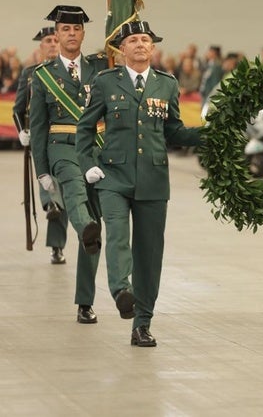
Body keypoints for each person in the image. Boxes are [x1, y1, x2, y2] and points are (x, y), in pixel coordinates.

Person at [77, 20, 203, 347]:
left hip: (153, 179)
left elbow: (173, 131)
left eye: (145, 40)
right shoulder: (106, 82)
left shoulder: (166, 84)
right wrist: (88, 164)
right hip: (113, 177)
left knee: (149, 254)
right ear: (122, 50)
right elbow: (85, 128)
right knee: (117, 234)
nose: (140, 45)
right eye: (133, 40)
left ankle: (142, 323)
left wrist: (208, 134)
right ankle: (121, 290)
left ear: (153, 48)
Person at [29, 5, 106, 323]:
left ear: (83, 34)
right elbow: (37, 125)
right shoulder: (43, 76)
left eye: (76, 29)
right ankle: (82, 226)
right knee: (74, 190)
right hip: (62, 149)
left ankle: (85, 302)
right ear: (56, 35)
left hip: (98, 151)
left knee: (96, 229)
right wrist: (42, 170)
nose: (71, 34)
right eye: (65, 29)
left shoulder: (100, 69)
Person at [14, 26, 68, 264]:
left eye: (56, 39)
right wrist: (21, 132)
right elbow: (18, 109)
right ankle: (49, 204)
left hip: (66, 138)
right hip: (40, 137)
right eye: (49, 40)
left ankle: (57, 246)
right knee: (50, 183)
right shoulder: (30, 73)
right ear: (41, 46)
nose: (53, 44)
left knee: (63, 192)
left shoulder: (71, 72)